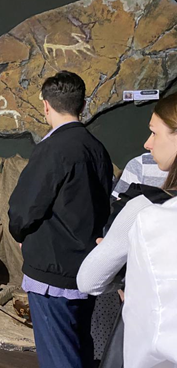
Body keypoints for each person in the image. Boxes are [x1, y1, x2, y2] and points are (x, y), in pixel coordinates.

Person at [8, 71, 113, 368]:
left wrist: (20, 234)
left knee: (59, 359)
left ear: (46, 106)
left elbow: (23, 209)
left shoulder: (52, 148)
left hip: (52, 276)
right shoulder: (98, 149)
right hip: (87, 271)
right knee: (78, 350)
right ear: (82, 105)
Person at [78, 93, 177, 368]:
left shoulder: (143, 210)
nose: (147, 143)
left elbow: (89, 280)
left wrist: (127, 273)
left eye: (154, 133)